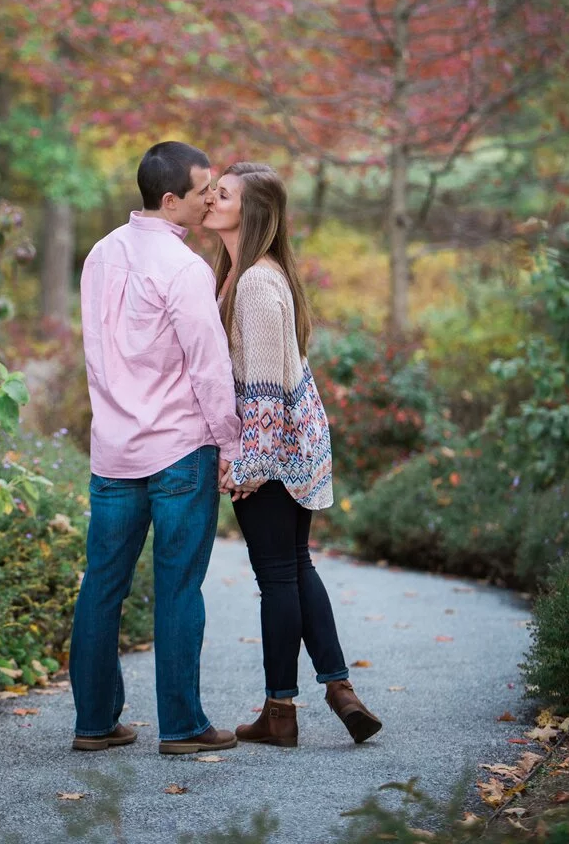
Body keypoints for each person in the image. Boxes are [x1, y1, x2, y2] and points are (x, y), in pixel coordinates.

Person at [69, 141, 242, 755]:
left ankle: (94, 723)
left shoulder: (100, 255)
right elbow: (210, 367)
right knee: (177, 588)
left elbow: (96, 351)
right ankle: (184, 727)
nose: (210, 201)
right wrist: (232, 444)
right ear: (170, 200)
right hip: (178, 449)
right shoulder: (185, 269)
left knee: (102, 586)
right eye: (202, 193)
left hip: (114, 449)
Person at [202, 161, 383, 749]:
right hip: (287, 441)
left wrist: (250, 467)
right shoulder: (244, 272)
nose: (210, 200)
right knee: (295, 569)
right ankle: (339, 691)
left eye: (222, 195)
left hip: (274, 446)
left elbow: (265, 388)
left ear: (250, 212)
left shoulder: (255, 281)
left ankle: (281, 712)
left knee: (277, 576)